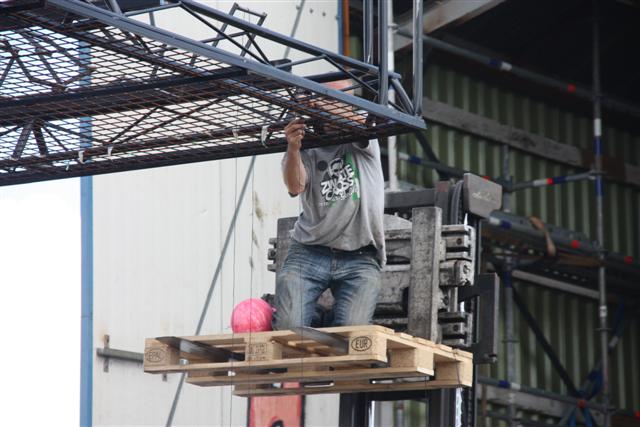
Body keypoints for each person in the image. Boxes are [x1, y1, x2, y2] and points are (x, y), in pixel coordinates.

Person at [272, 80, 385, 330]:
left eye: (338, 99)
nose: (330, 105)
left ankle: (322, 318)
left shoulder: (363, 137)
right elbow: (295, 186)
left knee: (352, 330)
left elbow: (360, 121)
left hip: (359, 255)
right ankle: (315, 318)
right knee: (289, 326)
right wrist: (293, 148)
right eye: (327, 98)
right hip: (310, 250)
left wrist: (319, 102)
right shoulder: (306, 146)